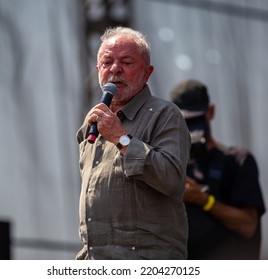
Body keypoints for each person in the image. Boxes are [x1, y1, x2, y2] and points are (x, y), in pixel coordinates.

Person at [75, 26, 191, 260]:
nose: (115, 69)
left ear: (147, 73)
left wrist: (120, 137)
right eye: (107, 63)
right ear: (98, 70)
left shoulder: (164, 114)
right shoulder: (92, 126)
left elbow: (170, 178)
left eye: (126, 63)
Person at [170, 79, 266, 259]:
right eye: (185, 121)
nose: (192, 128)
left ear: (211, 112)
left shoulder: (237, 160)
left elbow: (248, 226)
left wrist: (204, 200)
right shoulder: (172, 165)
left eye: (197, 119)